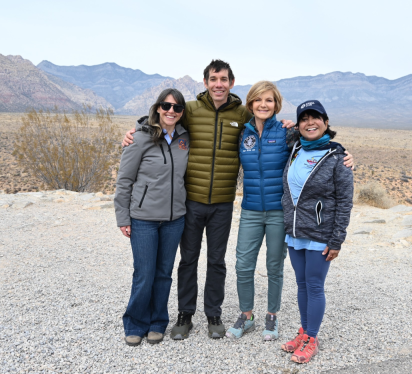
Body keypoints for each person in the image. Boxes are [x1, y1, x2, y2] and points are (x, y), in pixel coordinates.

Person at [121, 60, 352, 340]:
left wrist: (342, 151)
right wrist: (137, 130)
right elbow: (162, 120)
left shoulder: (264, 123)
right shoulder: (193, 111)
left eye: (224, 79)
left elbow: (314, 140)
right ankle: (189, 315)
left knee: (228, 262)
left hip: (235, 204)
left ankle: (228, 314)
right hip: (201, 201)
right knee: (192, 260)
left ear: (232, 83)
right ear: (205, 82)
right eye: (214, 79)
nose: (219, 84)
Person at [280, 100, 354, 363]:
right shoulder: (295, 148)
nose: (310, 123)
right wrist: (287, 125)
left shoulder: (337, 158)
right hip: (295, 231)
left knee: (314, 285)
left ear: (326, 122)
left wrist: (337, 240)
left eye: (316, 118)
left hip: (320, 235)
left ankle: (312, 337)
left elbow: (345, 202)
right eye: (304, 119)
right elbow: (280, 130)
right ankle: (304, 331)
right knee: (301, 284)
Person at [114, 88, 189, 346]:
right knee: (144, 273)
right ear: (158, 107)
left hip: (175, 219)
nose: (171, 111)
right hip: (143, 218)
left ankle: (158, 322)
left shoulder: (184, 138)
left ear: (181, 113)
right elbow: (124, 181)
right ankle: (135, 323)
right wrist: (123, 217)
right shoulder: (139, 138)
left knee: (164, 273)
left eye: (177, 108)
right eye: (166, 106)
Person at [225, 81, 290, 341]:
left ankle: (271, 317)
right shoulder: (243, 133)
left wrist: (343, 152)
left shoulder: (288, 133)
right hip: (251, 210)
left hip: (278, 212)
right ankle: (247, 316)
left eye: (269, 100)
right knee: (243, 265)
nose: (264, 105)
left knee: (274, 266)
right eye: (258, 100)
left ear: (276, 104)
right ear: (250, 103)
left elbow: (317, 143)